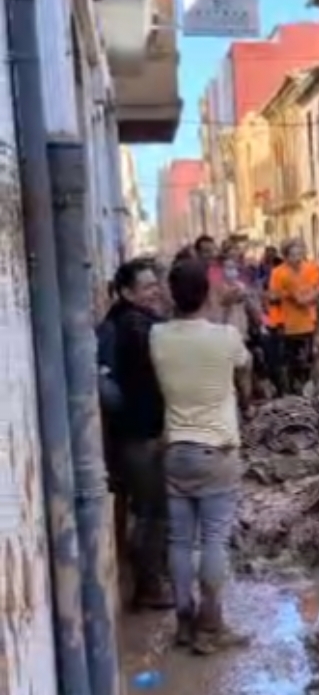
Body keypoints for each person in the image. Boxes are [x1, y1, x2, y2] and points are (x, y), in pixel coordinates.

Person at [150, 255, 252, 653]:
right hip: (217, 451)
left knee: (179, 541)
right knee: (213, 540)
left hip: (176, 450)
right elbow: (242, 362)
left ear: (172, 294)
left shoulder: (157, 337)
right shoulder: (225, 338)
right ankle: (211, 627)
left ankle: (183, 621)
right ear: (207, 292)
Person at [109, 257, 171, 609]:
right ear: (127, 292)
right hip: (141, 435)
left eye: (155, 285)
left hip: (133, 433)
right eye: (146, 287)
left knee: (147, 510)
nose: (154, 292)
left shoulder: (124, 320)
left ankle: (151, 578)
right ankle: (150, 587)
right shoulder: (136, 327)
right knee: (152, 511)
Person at [268, 239, 319, 394]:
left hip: (309, 321)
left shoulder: (311, 268)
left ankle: (310, 389)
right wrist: (287, 295)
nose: (297, 258)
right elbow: (272, 295)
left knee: (309, 358)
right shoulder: (278, 272)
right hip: (288, 325)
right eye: (293, 254)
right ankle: (295, 391)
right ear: (285, 256)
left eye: (300, 253)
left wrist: (307, 298)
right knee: (292, 362)